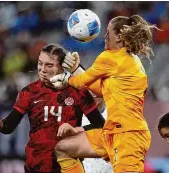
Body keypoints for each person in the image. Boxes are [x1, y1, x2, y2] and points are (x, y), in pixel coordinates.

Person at [50, 15, 160, 173]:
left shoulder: (111, 57)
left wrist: (67, 78)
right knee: (64, 149)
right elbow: (100, 90)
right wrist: (75, 70)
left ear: (120, 36)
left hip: (128, 137)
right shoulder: (132, 62)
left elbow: (81, 82)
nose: (105, 36)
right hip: (111, 133)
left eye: (108, 32)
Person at [0, 44, 105, 173]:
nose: (42, 69)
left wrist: (76, 130)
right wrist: (0, 123)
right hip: (35, 166)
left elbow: (100, 124)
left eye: (49, 65)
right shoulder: (29, 92)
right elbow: (8, 127)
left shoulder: (78, 91)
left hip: (66, 166)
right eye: (40, 63)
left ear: (61, 67)